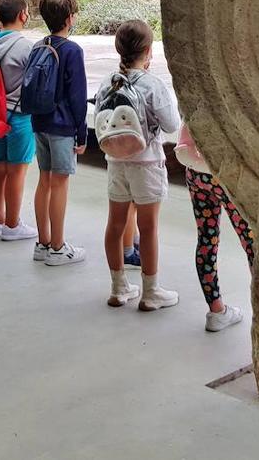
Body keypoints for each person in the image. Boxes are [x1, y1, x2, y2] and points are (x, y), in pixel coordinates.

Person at [96, 20, 180, 310]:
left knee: (115, 224)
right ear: (147, 50)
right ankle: (150, 291)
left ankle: (119, 288)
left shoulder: (108, 82)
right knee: (149, 227)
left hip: (116, 162)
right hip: (148, 162)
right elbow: (172, 125)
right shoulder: (152, 84)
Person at [176, 125, 254, 332]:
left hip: (195, 172)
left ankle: (216, 311)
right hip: (225, 174)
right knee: (251, 242)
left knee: (206, 238)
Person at [30, 0, 88, 267]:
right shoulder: (72, 51)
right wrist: (82, 132)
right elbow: (78, 96)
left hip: (39, 122)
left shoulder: (38, 46)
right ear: (69, 19)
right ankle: (57, 247)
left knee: (44, 181)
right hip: (63, 126)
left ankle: (42, 242)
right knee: (60, 183)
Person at [0, 0, 38, 241]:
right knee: (17, 171)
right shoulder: (26, 47)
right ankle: (13, 225)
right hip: (19, 117)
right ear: (22, 15)